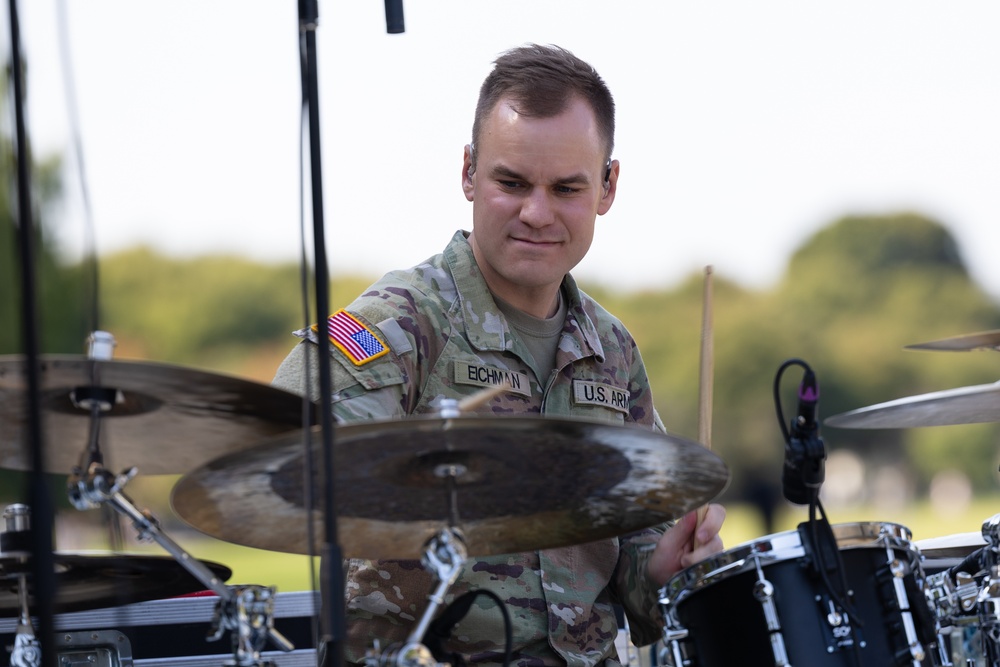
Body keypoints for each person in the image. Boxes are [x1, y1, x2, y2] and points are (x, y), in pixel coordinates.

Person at [273, 43, 726, 667]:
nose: (536, 213)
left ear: (608, 186)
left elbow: (633, 560)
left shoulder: (612, 350)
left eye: (567, 188)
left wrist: (663, 564)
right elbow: (289, 468)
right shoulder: (399, 324)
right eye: (511, 183)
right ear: (468, 173)